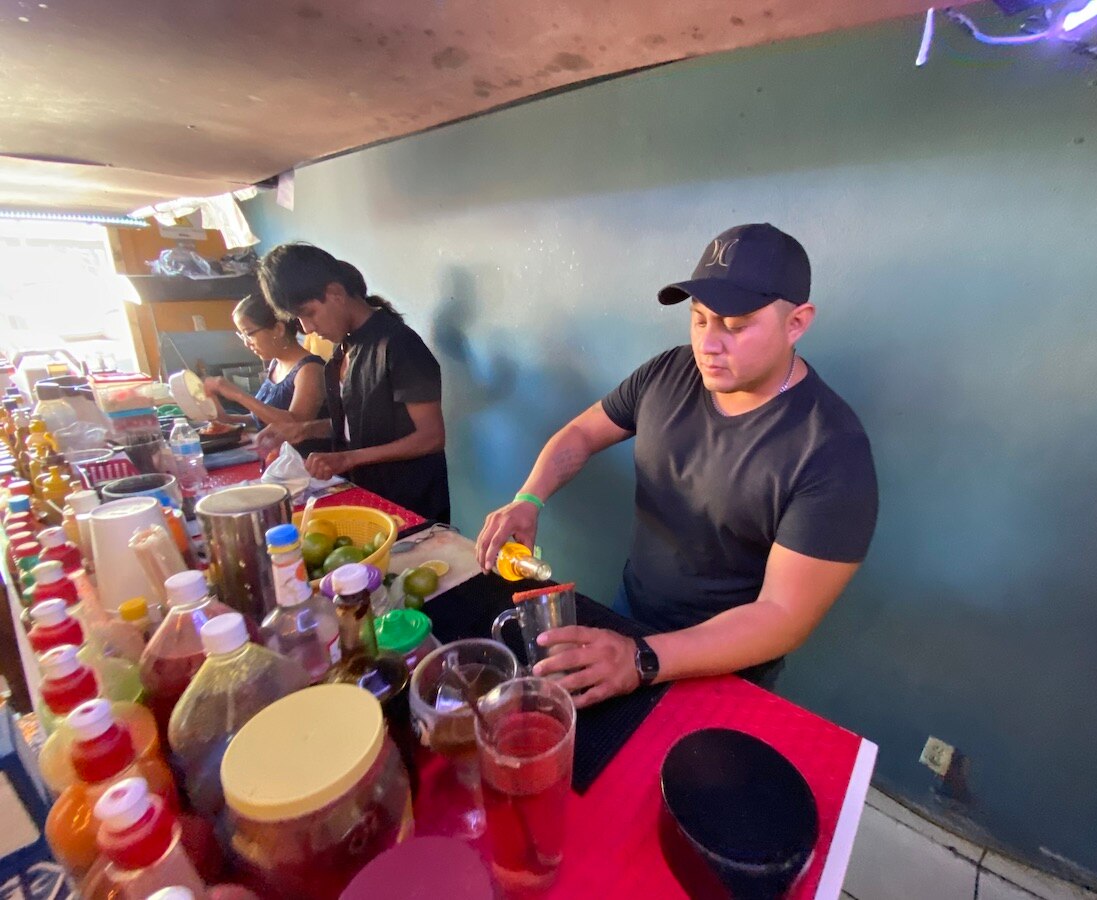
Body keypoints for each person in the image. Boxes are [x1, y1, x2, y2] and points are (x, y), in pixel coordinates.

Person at [476, 223, 878, 707]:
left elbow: (782, 616)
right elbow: (582, 433)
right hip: (630, 614)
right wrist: (529, 498)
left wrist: (642, 659)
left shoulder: (833, 452)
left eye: (735, 325)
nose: (708, 344)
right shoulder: (669, 372)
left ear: (796, 323)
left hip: (723, 662)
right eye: (699, 319)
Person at [254, 243, 452, 523]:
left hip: (409, 504)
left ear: (335, 293)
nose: (307, 328)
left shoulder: (399, 345)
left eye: (309, 313)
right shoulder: (343, 350)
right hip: (366, 496)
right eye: (298, 319)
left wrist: (348, 458)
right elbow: (358, 423)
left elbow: (431, 437)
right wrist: (302, 430)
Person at [202, 291, 329, 456]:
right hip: (276, 459)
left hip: (305, 463)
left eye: (249, 334)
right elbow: (261, 420)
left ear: (278, 329)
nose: (246, 343)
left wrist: (238, 395)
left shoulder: (310, 369)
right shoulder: (276, 364)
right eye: (242, 335)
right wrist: (225, 419)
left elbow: (295, 426)